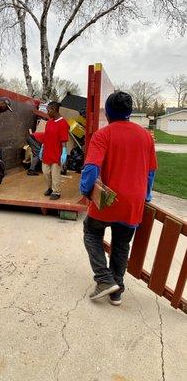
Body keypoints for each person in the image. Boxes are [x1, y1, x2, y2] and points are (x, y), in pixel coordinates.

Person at [80, 91, 157, 306]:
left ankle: (104, 280)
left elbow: (92, 167)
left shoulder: (102, 134)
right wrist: (147, 195)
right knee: (121, 244)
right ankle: (117, 291)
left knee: (91, 233)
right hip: (133, 203)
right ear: (130, 112)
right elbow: (151, 172)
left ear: (109, 111)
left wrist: (86, 190)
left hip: (107, 200)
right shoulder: (145, 136)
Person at [40, 101, 69, 200]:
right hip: (47, 152)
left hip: (57, 153)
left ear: (54, 110)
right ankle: (50, 188)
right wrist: (42, 147)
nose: (47, 112)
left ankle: (56, 191)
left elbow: (64, 139)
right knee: (46, 172)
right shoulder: (49, 122)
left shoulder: (63, 123)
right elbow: (46, 136)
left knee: (55, 174)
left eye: (48, 110)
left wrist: (64, 152)